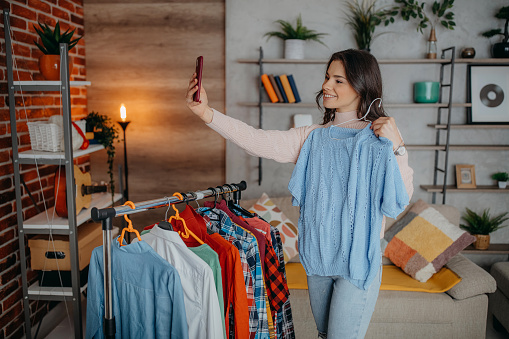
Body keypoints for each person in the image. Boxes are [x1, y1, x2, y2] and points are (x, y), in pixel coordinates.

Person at [186, 49, 414, 339]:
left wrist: (398, 147)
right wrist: (207, 113)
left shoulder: (379, 140)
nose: (326, 86)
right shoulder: (312, 137)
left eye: (338, 80)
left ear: (361, 85)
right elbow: (257, 140)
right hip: (317, 259)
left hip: (358, 264)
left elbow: (399, 199)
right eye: (327, 77)